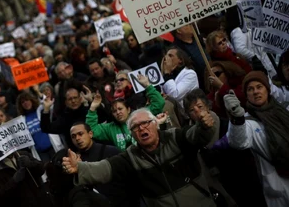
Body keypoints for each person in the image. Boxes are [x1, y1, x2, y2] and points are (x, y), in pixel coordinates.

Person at [63, 107, 217, 206]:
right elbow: (105, 168)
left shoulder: (175, 137)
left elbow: (195, 135)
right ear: (132, 135)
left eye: (145, 123)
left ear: (156, 124)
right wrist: (79, 168)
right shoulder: (130, 156)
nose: (141, 128)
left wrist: (203, 127)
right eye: (135, 127)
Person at [224, 71, 289, 206]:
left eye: (259, 87)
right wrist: (236, 118)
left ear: (267, 89)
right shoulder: (247, 121)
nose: (255, 92)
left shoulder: (282, 111)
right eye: (250, 89)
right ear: (246, 95)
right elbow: (238, 142)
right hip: (280, 188)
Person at [86, 75, 165, 150]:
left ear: (128, 109)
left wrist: (147, 85)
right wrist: (93, 108)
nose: (118, 112)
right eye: (114, 111)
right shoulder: (110, 128)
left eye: (120, 109)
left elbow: (159, 103)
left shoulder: (140, 116)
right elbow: (91, 130)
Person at [69, 122, 138, 207]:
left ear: (90, 134)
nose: (77, 138)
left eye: (80, 134)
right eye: (73, 136)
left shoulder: (111, 151)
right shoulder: (76, 162)